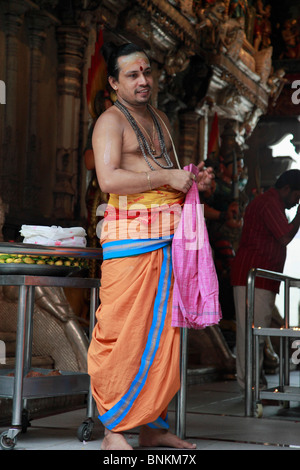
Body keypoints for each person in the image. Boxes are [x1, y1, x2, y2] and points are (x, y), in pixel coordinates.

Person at [87, 42, 214, 450]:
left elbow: (164, 171)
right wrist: (168, 179)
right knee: (124, 333)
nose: (143, 81)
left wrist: (192, 181)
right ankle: (114, 431)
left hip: (167, 238)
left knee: (161, 337)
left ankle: (152, 427)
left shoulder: (158, 117)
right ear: (113, 82)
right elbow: (109, 180)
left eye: (147, 73)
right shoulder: (110, 122)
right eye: (132, 75)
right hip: (130, 241)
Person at [231, 169, 300, 390]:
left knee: (256, 334)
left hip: (261, 279)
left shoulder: (274, 204)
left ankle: (254, 385)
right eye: (297, 197)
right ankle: (249, 387)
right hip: (253, 278)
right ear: (287, 189)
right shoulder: (269, 203)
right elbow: (284, 237)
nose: (296, 202)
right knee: (252, 335)